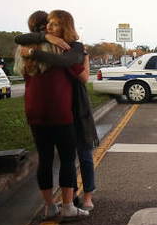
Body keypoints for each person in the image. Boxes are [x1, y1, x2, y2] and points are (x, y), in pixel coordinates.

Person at [15, 12, 97, 211]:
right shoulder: (61, 48)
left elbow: (19, 40)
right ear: (44, 28)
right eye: (48, 25)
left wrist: (36, 49)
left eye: (54, 25)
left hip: (36, 111)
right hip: (62, 111)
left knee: (47, 159)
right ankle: (70, 204)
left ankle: (51, 207)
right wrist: (48, 40)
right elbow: (82, 75)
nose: (50, 28)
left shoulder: (24, 50)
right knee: (70, 158)